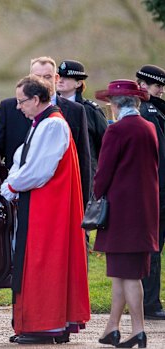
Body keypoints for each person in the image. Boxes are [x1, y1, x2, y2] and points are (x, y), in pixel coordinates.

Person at [0, 75, 90, 345]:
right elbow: (21, 159)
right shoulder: (42, 123)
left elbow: (39, 169)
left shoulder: (52, 125)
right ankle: (36, 323)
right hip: (40, 204)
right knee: (34, 262)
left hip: (48, 208)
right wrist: (11, 182)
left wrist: (10, 188)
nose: (18, 107)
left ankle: (45, 324)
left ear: (37, 99)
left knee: (43, 262)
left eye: (22, 101)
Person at [93, 80, 159, 348]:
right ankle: (113, 327)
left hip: (121, 212)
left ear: (114, 105)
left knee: (129, 275)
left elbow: (104, 172)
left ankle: (139, 330)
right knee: (121, 272)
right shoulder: (149, 127)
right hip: (145, 210)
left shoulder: (117, 130)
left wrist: (96, 194)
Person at [0, 56, 91, 207]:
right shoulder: (8, 107)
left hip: (55, 194)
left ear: (56, 78)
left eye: (47, 77)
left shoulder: (72, 112)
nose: (42, 82)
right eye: (37, 77)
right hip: (16, 194)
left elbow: (83, 159)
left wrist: (82, 202)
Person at [136, 64, 165, 321]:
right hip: (158, 191)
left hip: (159, 190)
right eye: (157, 86)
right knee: (153, 251)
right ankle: (151, 303)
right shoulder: (149, 112)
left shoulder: (155, 111)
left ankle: (151, 301)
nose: (160, 91)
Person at [57, 59, 108, 182]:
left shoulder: (90, 110)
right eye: (59, 76)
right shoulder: (48, 107)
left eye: (67, 78)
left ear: (78, 83)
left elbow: (105, 145)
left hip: (84, 175)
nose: (60, 80)